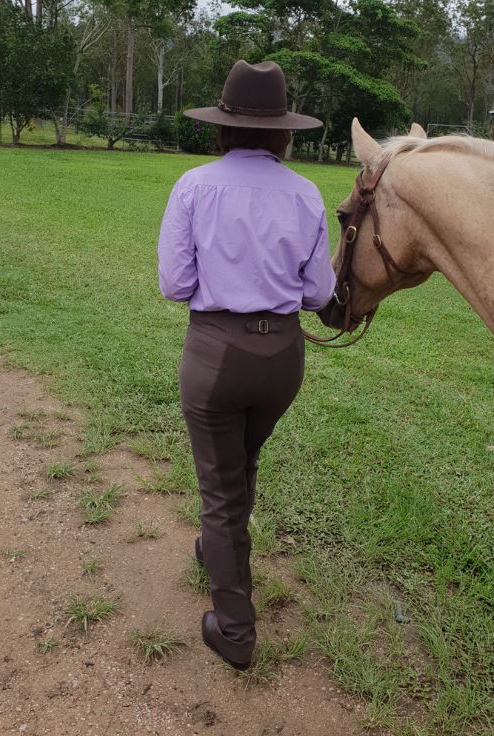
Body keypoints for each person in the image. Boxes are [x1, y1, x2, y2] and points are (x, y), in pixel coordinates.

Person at [157, 59, 336, 670]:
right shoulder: (308, 193)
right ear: (284, 132)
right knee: (241, 461)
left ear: (224, 126)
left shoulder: (194, 186)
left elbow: (174, 283)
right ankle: (218, 549)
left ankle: (234, 631)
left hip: (215, 353)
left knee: (218, 489)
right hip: (283, 358)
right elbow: (318, 294)